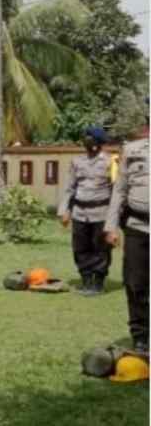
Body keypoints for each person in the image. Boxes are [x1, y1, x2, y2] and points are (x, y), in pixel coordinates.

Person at [105, 124, 149, 354]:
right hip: (137, 226)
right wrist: (111, 226)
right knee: (135, 284)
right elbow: (119, 191)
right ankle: (141, 335)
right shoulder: (132, 150)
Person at [59, 126, 116, 296]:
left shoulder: (110, 162)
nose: (87, 140)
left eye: (90, 138)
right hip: (79, 212)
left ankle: (97, 281)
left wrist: (114, 220)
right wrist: (64, 210)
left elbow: (116, 191)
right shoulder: (77, 161)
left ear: (99, 142)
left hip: (101, 212)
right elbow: (70, 188)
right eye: (86, 137)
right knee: (80, 247)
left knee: (101, 248)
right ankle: (85, 279)